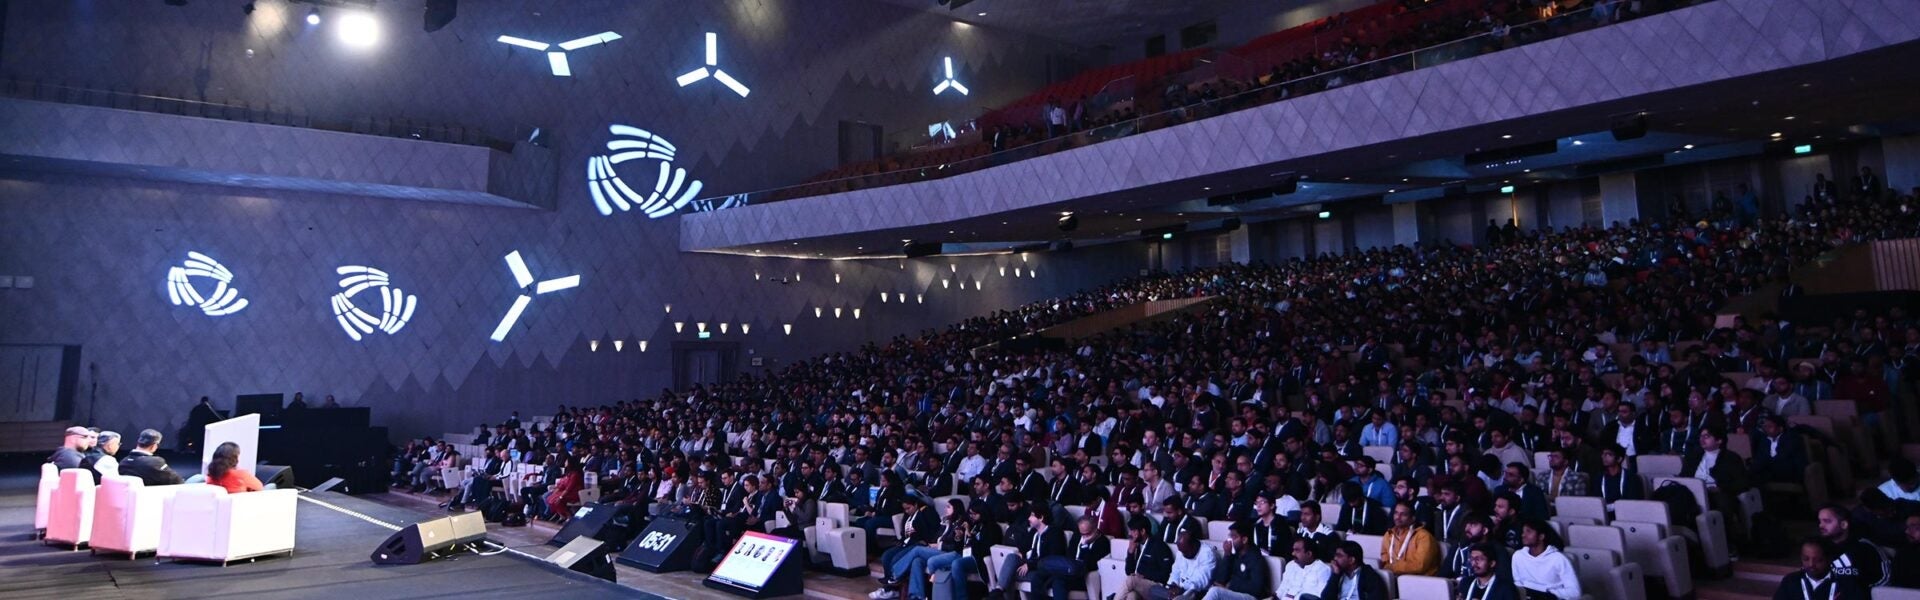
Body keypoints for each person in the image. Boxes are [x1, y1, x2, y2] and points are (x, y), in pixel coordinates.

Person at [1819, 504, 1890, 590]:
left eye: (1827, 521)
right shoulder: (1820, 547)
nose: (1821, 526)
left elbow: (1885, 578)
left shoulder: (1865, 547)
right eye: (1820, 521)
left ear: (1844, 524)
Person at [1775, 538, 1867, 600]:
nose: (1811, 564)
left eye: (1818, 560)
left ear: (1829, 559)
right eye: (1806, 559)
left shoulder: (1846, 583)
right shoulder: (1791, 581)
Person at [1509, 519, 1579, 600]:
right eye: (1523, 532)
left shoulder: (1558, 559)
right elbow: (1517, 584)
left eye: (1529, 531)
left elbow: (1574, 592)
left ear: (1541, 536)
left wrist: (1547, 592)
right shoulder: (1518, 556)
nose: (1523, 535)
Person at [1199, 522, 1269, 600]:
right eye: (1230, 536)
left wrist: (1231, 585)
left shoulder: (1255, 557)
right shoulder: (1233, 553)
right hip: (1233, 593)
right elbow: (1220, 579)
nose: (1230, 540)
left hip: (1250, 597)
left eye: (1234, 537)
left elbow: (1257, 588)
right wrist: (1227, 555)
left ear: (1244, 540)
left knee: (1215, 592)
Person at [1117, 517, 1175, 600]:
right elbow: (1129, 572)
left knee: (1131, 580)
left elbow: (1166, 575)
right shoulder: (1136, 545)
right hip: (1139, 585)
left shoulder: (1159, 546)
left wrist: (1144, 575)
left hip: (1156, 586)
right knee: (1131, 596)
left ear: (1143, 531)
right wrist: (1130, 552)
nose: (1130, 533)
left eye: (1133, 531)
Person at [1379, 503, 1440, 575]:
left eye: (1403, 514)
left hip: (1419, 580)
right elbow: (1385, 560)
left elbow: (1419, 566)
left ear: (1412, 518)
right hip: (1394, 577)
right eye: (1396, 513)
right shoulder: (1389, 534)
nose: (1398, 517)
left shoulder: (1423, 537)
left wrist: (1392, 568)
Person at [1318, 540, 1388, 600]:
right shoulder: (1338, 573)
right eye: (1335, 555)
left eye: (1339, 556)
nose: (1335, 558)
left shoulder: (1368, 575)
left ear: (1351, 560)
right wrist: (1335, 575)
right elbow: (1325, 598)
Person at [119, 429, 184, 486]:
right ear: (154, 446)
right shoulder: (156, 462)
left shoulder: (123, 462)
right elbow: (177, 481)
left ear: (138, 443)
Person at [1166, 529, 1217, 600]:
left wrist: (1181, 588)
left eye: (1186, 551)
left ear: (1194, 544)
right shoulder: (1182, 551)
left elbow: (1200, 581)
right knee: (1153, 590)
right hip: (1178, 590)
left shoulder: (1207, 554)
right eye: (1182, 552)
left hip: (1197, 593)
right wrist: (1173, 584)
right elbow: (1175, 571)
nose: (1183, 555)